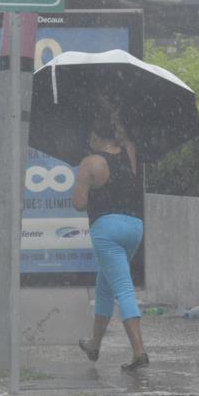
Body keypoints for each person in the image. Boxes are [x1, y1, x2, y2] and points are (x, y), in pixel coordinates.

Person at [73, 106, 148, 371]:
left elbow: (79, 203)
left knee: (123, 288)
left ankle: (139, 352)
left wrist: (86, 180)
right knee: (105, 283)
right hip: (135, 226)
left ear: (94, 136)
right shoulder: (130, 152)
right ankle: (94, 344)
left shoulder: (90, 163)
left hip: (107, 229)